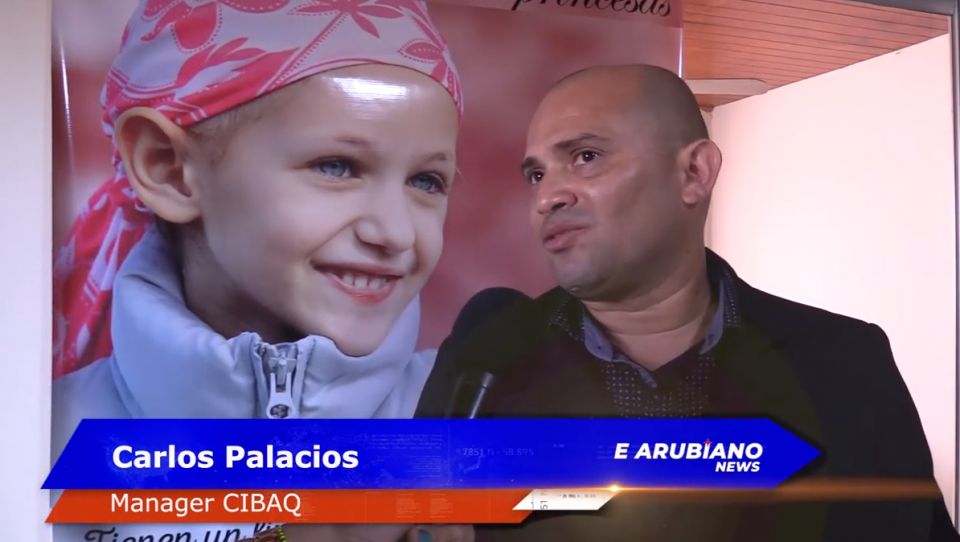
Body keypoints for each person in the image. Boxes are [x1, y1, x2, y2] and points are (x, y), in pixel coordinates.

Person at [417, 64, 960, 541]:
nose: (546, 197)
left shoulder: (847, 361)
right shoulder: (485, 355)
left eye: (585, 157)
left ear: (694, 173)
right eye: (536, 174)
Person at [51, 1, 471, 541]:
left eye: (426, 181)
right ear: (169, 169)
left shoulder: (488, 417)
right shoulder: (37, 436)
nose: (397, 233)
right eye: (337, 166)